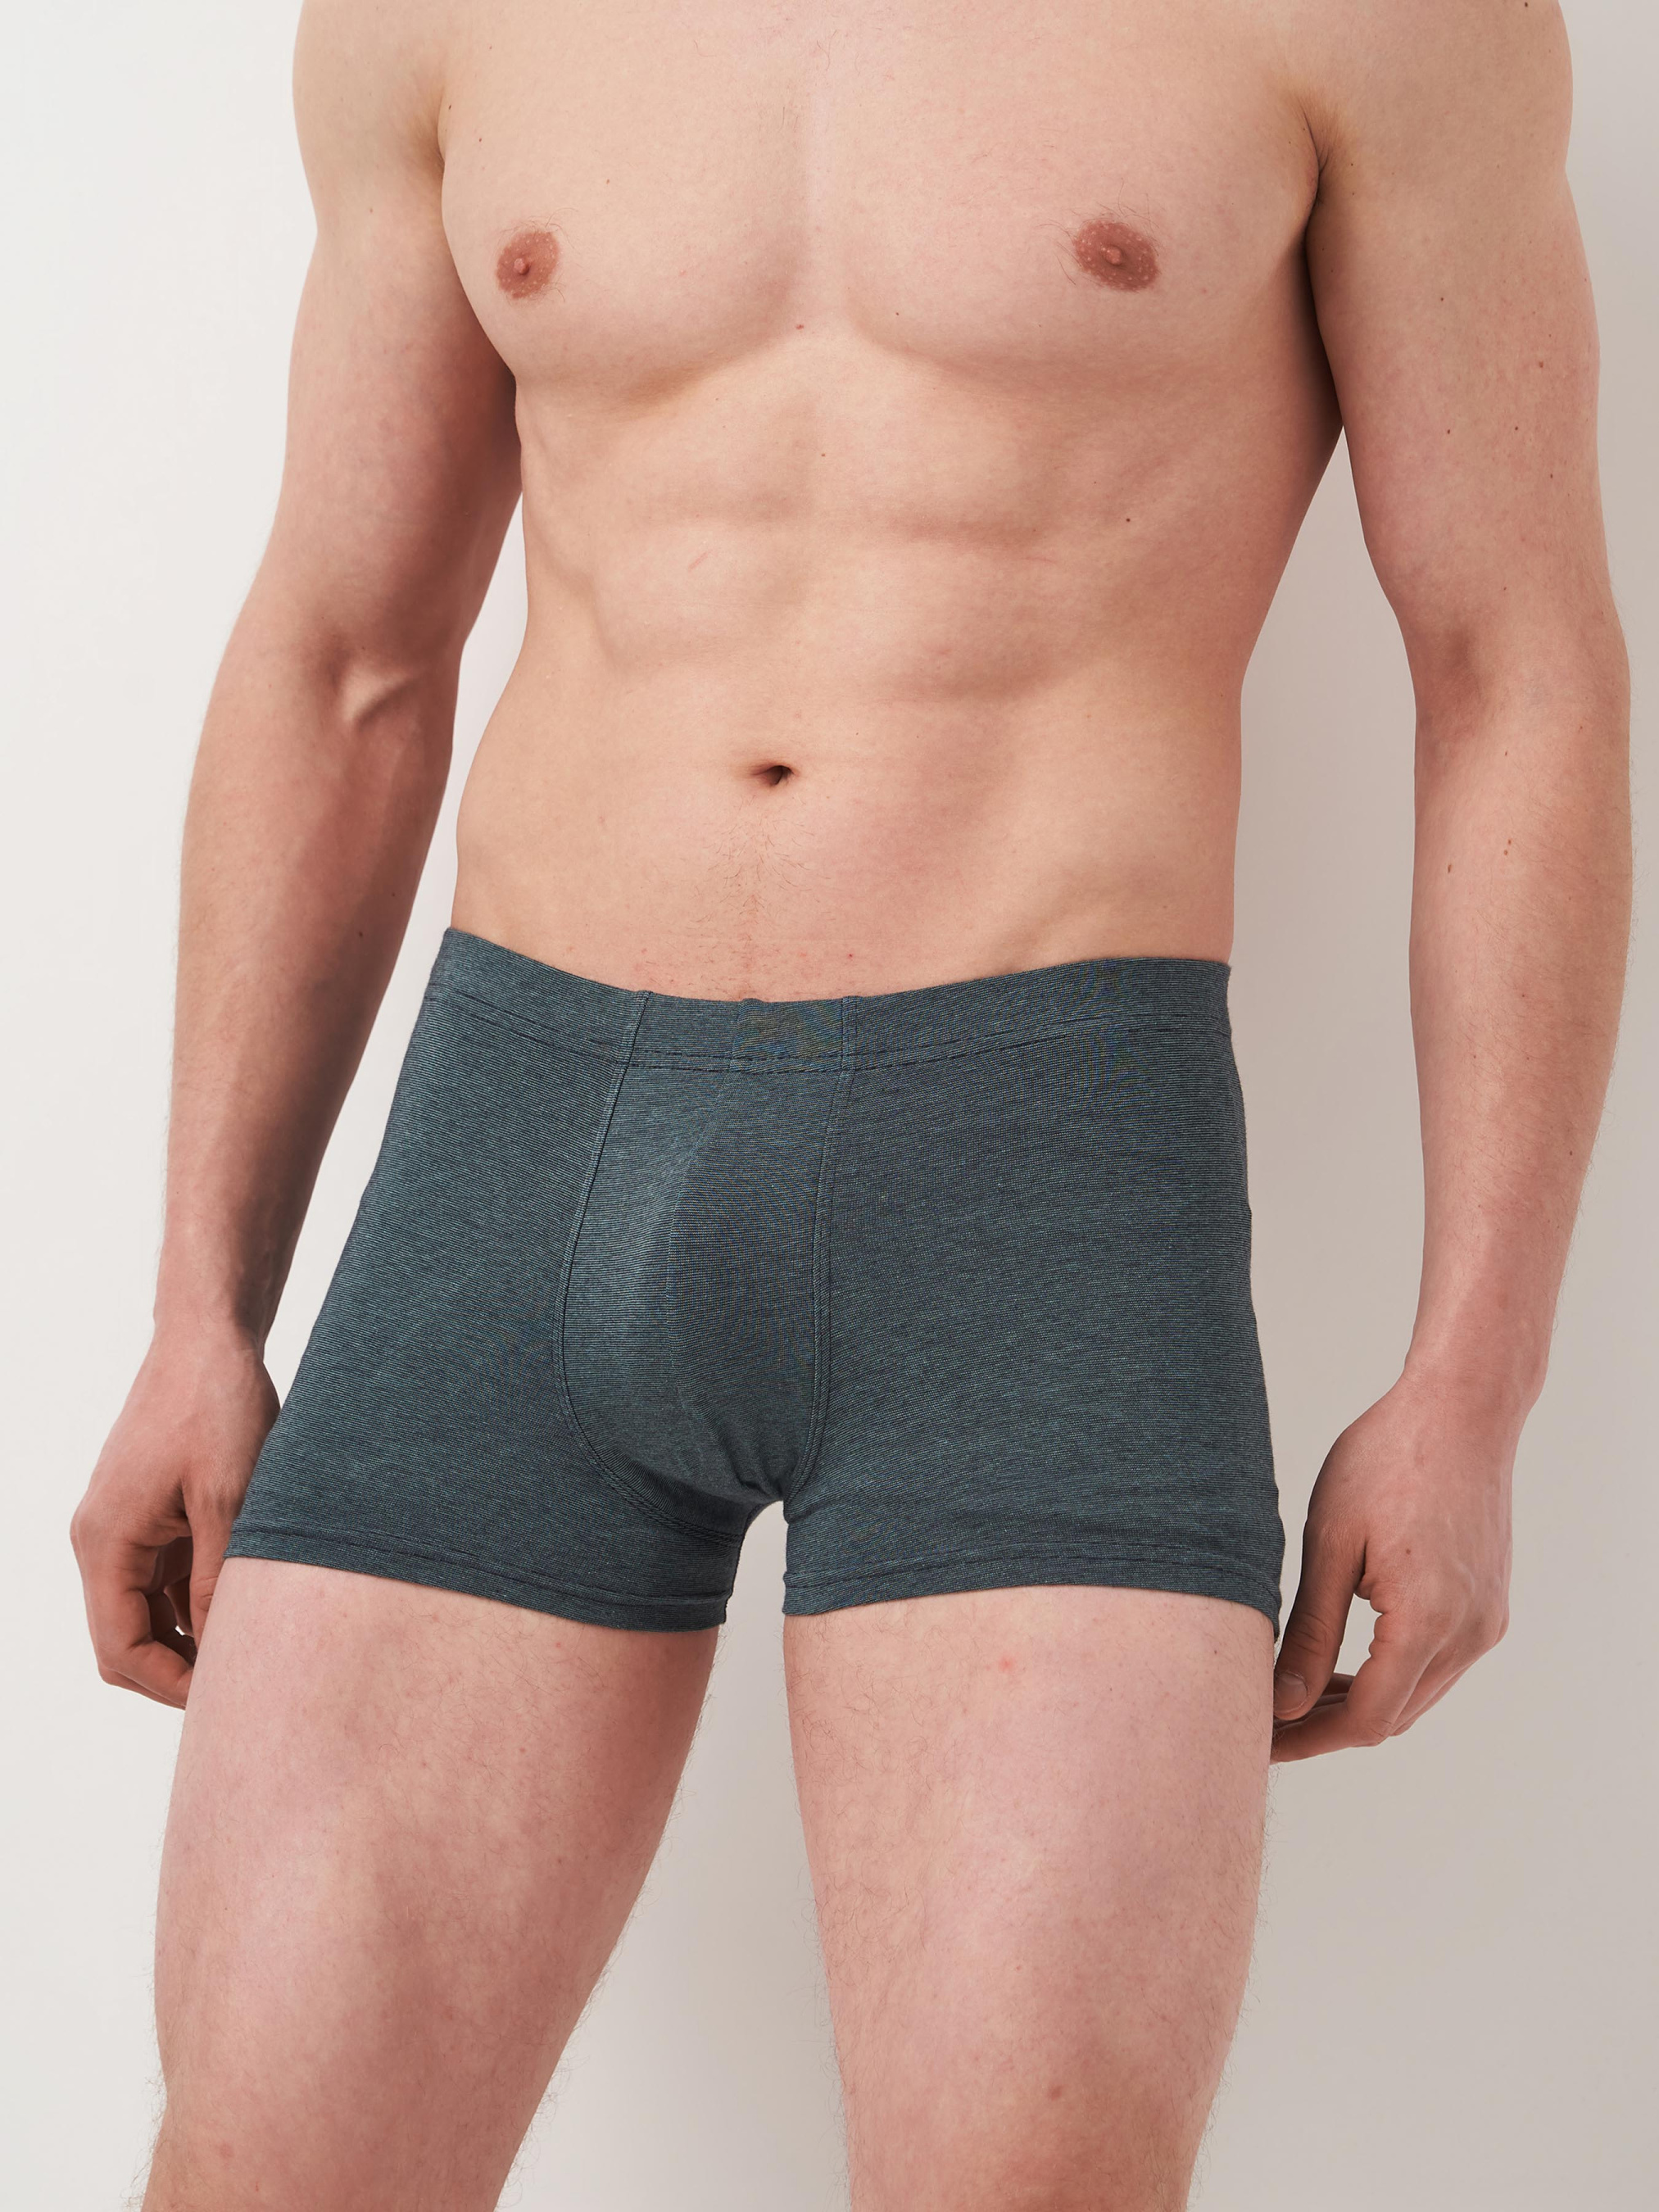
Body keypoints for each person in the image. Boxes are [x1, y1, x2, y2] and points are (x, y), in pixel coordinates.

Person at [70, 1, 1630, 2205]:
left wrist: (1477, 1372)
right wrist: (197, 1306)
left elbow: (1511, 663)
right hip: (513, 1165)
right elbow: (347, 658)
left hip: (1037, 1197)